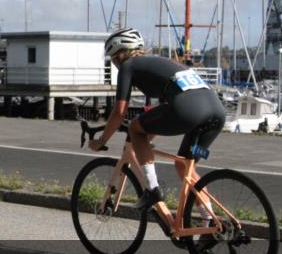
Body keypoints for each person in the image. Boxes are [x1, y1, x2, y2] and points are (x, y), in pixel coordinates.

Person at [89, 28, 226, 212]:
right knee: (184, 165)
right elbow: (162, 112)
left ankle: (152, 190)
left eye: (113, 59)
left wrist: (101, 141)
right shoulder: (165, 63)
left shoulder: (129, 66)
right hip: (216, 114)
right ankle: (209, 223)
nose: (114, 64)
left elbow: (119, 111)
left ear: (119, 55)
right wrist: (143, 143)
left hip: (189, 110)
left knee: (135, 127)